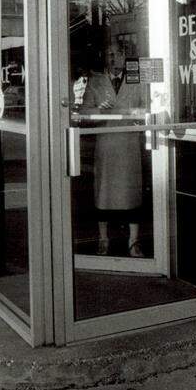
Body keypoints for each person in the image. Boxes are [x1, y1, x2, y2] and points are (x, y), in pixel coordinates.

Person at [79, 44, 147, 257]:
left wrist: (136, 113)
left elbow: (149, 107)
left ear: (125, 56)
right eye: (109, 54)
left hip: (129, 145)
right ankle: (103, 239)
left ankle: (133, 242)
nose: (112, 58)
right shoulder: (96, 81)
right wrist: (100, 110)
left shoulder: (137, 78)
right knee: (104, 193)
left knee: (131, 193)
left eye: (116, 54)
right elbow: (83, 112)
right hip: (107, 145)